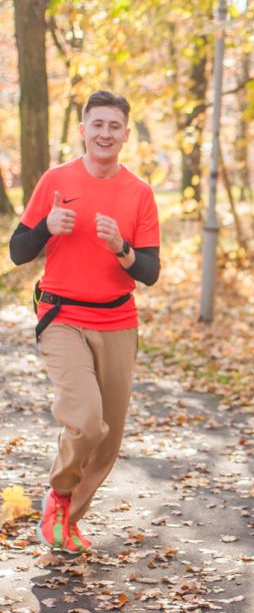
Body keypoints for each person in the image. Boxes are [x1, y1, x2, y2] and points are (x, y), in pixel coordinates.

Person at [8, 90, 161, 553]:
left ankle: (65, 520)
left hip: (118, 321)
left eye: (114, 126)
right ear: (83, 130)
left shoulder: (139, 192)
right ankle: (58, 492)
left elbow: (149, 272)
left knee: (108, 442)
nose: (105, 134)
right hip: (62, 315)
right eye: (97, 124)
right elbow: (18, 252)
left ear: (126, 135)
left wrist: (122, 249)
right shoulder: (56, 179)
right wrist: (45, 227)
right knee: (87, 422)